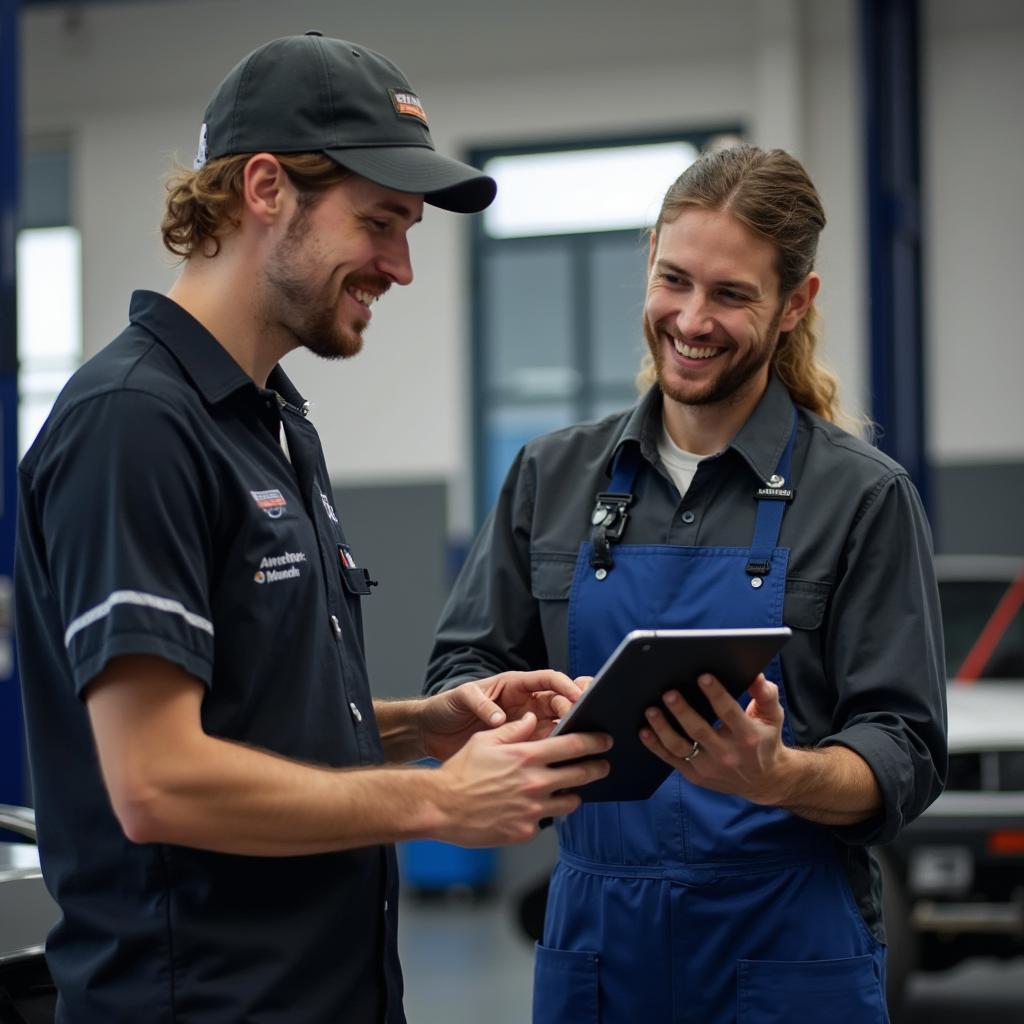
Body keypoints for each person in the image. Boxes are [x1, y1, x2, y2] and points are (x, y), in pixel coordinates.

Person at [13, 32, 612, 1024]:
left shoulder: (274, 425)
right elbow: (156, 779)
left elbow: (251, 714)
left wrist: (425, 727)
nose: (402, 267)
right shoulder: (132, 424)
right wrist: (437, 801)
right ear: (263, 188)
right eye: (379, 222)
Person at [425, 144, 947, 1024]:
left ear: (794, 306)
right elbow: (459, 675)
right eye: (675, 280)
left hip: (787, 948)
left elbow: (905, 750)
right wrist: (512, 718)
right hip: (598, 944)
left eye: (732, 294)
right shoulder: (551, 477)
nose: (691, 319)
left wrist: (780, 774)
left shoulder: (862, 497)